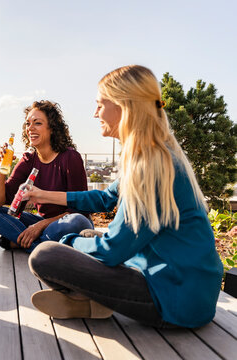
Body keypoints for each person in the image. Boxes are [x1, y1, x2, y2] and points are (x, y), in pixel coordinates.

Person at [27, 65, 223, 328]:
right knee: (88, 236)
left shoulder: (149, 167)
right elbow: (104, 198)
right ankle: (92, 303)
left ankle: (91, 299)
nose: (95, 113)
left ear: (123, 106)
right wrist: (46, 196)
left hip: (174, 301)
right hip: (189, 291)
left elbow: (111, 251)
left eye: (99, 104)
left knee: (46, 255)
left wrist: (68, 242)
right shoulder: (157, 153)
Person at [0, 100, 93, 253]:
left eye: (37, 123)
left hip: (67, 223)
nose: (30, 128)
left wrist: (39, 226)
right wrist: (0, 171)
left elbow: (81, 211)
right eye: (28, 124)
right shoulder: (28, 159)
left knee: (77, 221)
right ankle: (42, 248)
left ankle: (26, 243)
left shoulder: (70, 158)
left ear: (52, 128)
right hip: (43, 223)